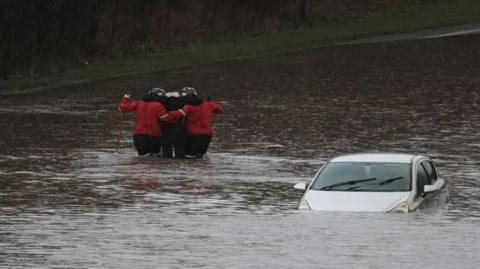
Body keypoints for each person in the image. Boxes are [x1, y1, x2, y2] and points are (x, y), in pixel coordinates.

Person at [117, 88, 176, 156]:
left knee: (142, 158)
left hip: (138, 135)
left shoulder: (138, 103)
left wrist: (125, 98)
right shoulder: (159, 105)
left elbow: (122, 108)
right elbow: (165, 119)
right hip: (154, 135)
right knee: (155, 157)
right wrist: (177, 114)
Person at [176, 86, 223, 158]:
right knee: (200, 158)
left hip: (193, 135)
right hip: (207, 135)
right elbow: (220, 110)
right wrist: (209, 103)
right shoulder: (208, 104)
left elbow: (176, 115)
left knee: (189, 159)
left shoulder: (187, 106)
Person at [157, 91, 187, 158]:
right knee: (180, 150)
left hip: (165, 127)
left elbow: (161, 116)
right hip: (179, 127)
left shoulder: (162, 104)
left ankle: (167, 162)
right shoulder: (182, 104)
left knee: (166, 150)